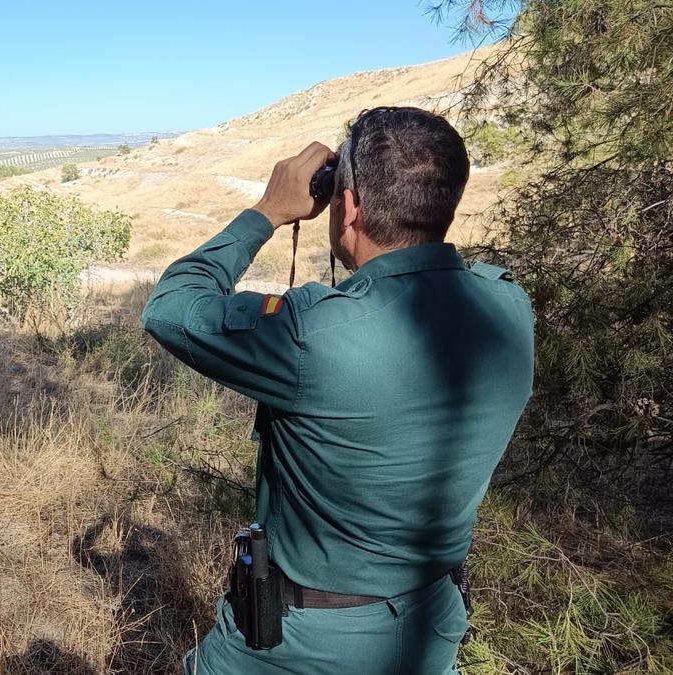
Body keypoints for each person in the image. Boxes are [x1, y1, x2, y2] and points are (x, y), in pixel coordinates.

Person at [141, 107, 534, 674]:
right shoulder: (508, 307)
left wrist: (266, 212)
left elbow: (171, 309)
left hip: (299, 646)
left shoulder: (315, 334)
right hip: (431, 628)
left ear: (348, 206)